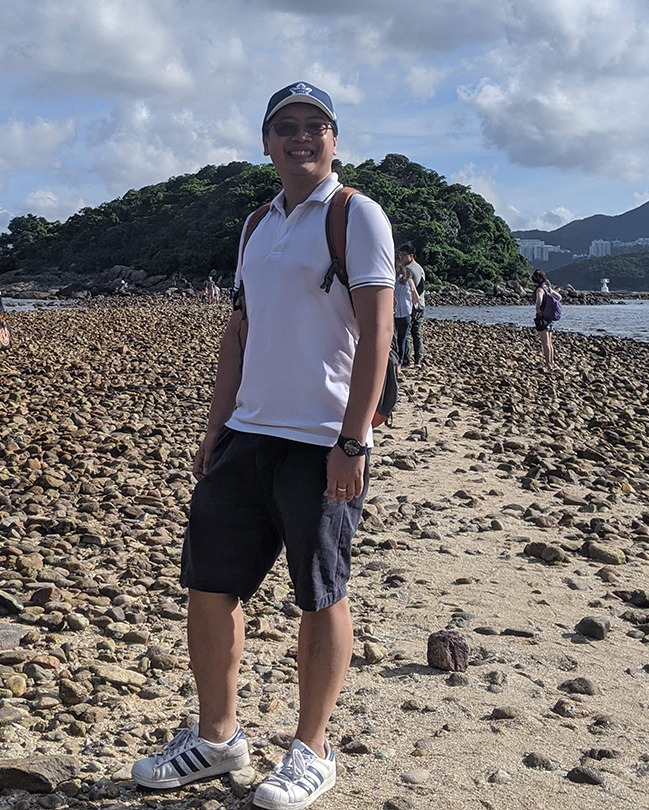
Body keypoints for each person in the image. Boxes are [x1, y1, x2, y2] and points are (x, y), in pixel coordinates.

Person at [132, 81, 395, 810]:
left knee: (321, 592)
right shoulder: (255, 225)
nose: (301, 137)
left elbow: (378, 334)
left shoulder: (355, 215)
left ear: (335, 139)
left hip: (321, 442)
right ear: (266, 142)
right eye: (286, 126)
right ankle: (217, 740)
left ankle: (313, 750)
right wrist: (216, 426)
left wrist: (354, 438)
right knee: (209, 587)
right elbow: (239, 332)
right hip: (248, 435)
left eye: (315, 126)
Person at [399, 244, 425, 367]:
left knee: (408, 333)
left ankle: (406, 359)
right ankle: (418, 359)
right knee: (417, 332)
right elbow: (422, 287)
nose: (401, 258)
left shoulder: (408, 270)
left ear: (411, 255)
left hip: (412, 306)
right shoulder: (420, 268)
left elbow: (413, 289)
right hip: (421, 305)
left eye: (403, 255)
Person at [531, 268, 561, 369]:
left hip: (542, 317)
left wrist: (538, 309)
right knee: (549, 342)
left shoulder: (540, 289)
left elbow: (539, 300)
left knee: (545, 342)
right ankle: (551, 362)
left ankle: (548, 364)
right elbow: (559, 297)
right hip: (549, 317)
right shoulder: (547, 288)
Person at [393, 261, 419, 378]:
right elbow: (416, 298)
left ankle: (392, 363)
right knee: (402, 339)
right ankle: (399, 364)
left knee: (393, 340)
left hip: (393, 313)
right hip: (405, 314)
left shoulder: (392, 282)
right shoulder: (409, 281)